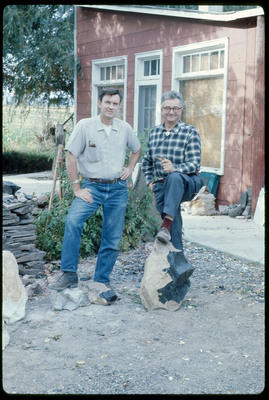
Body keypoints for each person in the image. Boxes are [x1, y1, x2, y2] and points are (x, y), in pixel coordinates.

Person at [49, 88, 141, 291]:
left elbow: (137, 148)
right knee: (73, 221)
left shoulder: (124, 128)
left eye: (115, 103)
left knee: (112, 236)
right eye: (107, 102)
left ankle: (101, 279)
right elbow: (70, 155)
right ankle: (69, 274)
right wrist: (76, 188)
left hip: (117, 188)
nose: (111, 107)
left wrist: (130, 167)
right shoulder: (85, 126)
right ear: (99, 103)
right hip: (92, 187)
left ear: (119, 106)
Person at [141, 90, 202, 251]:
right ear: (161, 110)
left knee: (174, 177)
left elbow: (195, 164)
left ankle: (165, 224)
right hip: (162, 185)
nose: (171, 112)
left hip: (189, 182)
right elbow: (146, 162)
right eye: (167, 108)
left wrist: (175, 168)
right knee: (173, 225)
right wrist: (149, 182)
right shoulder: (155, 133)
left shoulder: (190, 132)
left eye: (176, 108)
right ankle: (176, 263)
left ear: (181, 110)